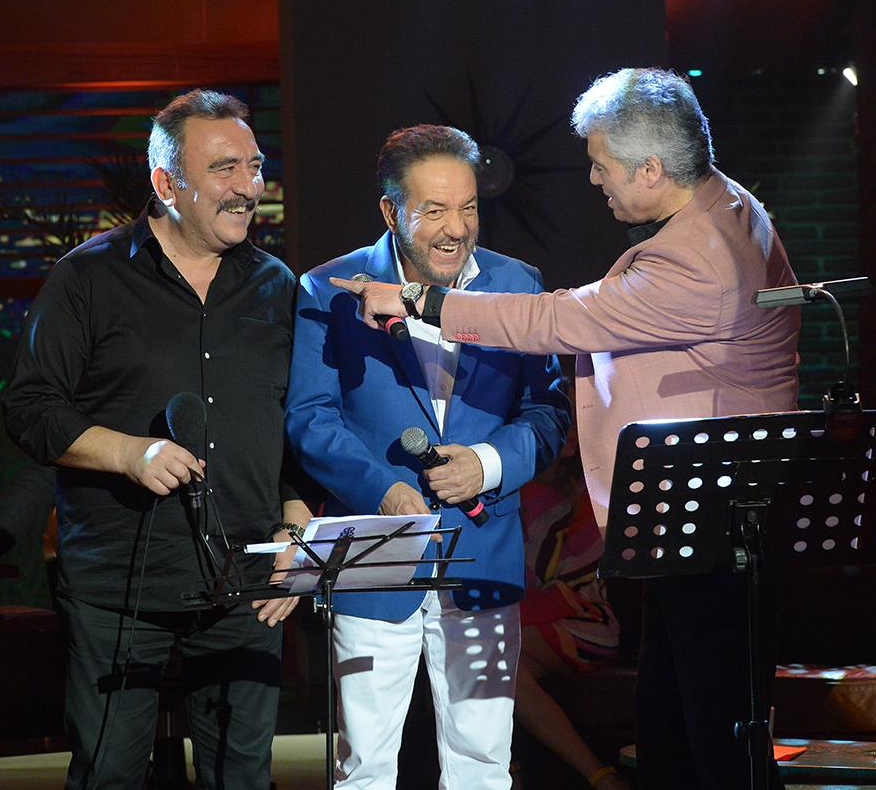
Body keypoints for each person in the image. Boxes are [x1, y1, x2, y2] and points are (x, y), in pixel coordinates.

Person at [332, 68, 801, 790]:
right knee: (675, 734)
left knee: (713, 744)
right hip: (701, 524)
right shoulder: (728, 200)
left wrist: (423, 302)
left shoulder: (699, 256)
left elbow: (562, 319)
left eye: (602, 164)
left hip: (714, 525)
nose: (592, 177)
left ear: (652, 169)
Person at [2, 88, 309, 790]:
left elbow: (293, 423)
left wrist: (295, 525)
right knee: (109, 774)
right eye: (225, 168)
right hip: (119, 584)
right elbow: (29, 407)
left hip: (246, 578)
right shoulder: (87, 277)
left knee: (244, 778)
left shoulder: (275, 286)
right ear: (167, 184)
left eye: (255, 166)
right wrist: (127, 453)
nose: (249, 187)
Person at [285, 124, 570, 789]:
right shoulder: (327, 287)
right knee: (364, 767)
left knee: (483, 762)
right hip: (373, 548)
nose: (456, 229)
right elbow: (310, 417)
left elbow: (549, 411)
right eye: (435, 210)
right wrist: (382, 488)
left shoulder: (517, 283)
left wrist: (487, 464)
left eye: (468, 208)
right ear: (391, 211)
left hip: (483, 550)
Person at [513, 376, 627, 790]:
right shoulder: (515, 487)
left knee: (491, 648)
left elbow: (572, 592)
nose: (571, 430)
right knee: (504, 673)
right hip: (526, 620)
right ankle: (597, 776)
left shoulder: (584, 493)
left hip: (586, 621)